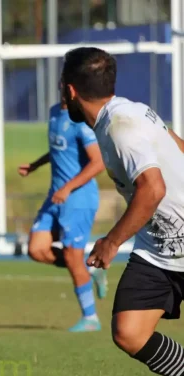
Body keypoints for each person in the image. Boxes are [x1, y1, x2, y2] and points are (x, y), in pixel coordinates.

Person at [63, 46, 184, 375]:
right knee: (130, 332)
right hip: (156, 248)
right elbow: (178, 147)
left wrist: (111, 241)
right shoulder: (129, 113)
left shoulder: (120, 126)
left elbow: (153, 188)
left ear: (70, 91)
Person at [17, 91, 107, 332]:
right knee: (36, 249)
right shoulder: (55, 112)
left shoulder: (82, 122)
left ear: (76, 88)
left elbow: (97, 162)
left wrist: (68, 187)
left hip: (78, 199)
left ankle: (91, 319)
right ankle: (89, 272)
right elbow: (59, 149)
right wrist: (35, 165)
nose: (64, 88)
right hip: (55, 196)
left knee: (71, 256)